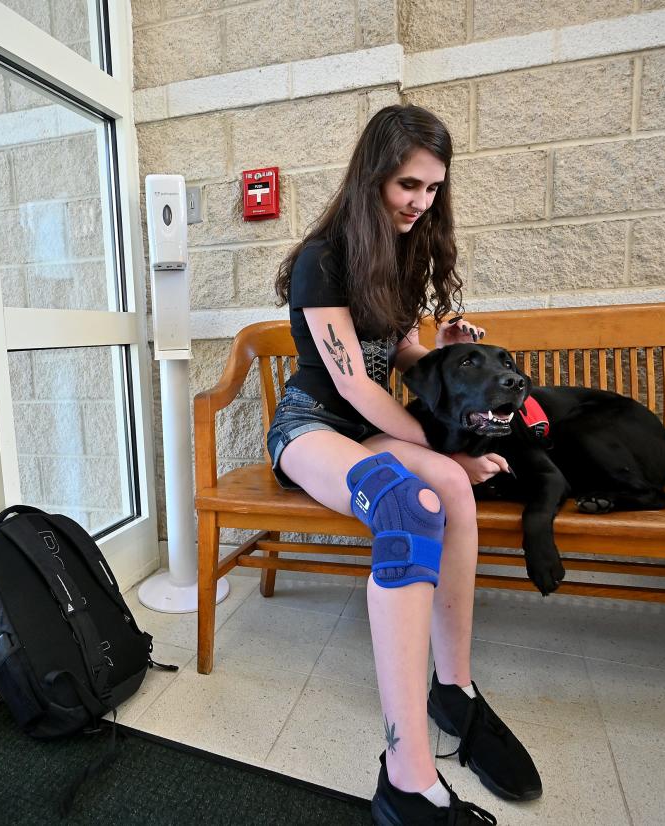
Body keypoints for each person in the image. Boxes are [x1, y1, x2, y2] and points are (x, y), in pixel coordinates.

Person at [267, 105, 540, 825]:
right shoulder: (321, 259)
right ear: (372, 176)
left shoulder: (406, 250)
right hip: (313, 427)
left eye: (432, 189)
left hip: (368, 429)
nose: (420, 202)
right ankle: (407, 778)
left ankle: (454, 688)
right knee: (408, 502)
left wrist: (442, 349)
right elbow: (354, 380)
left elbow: (398, 357)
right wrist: (434, 446)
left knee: (452, 487)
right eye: (407, 185)